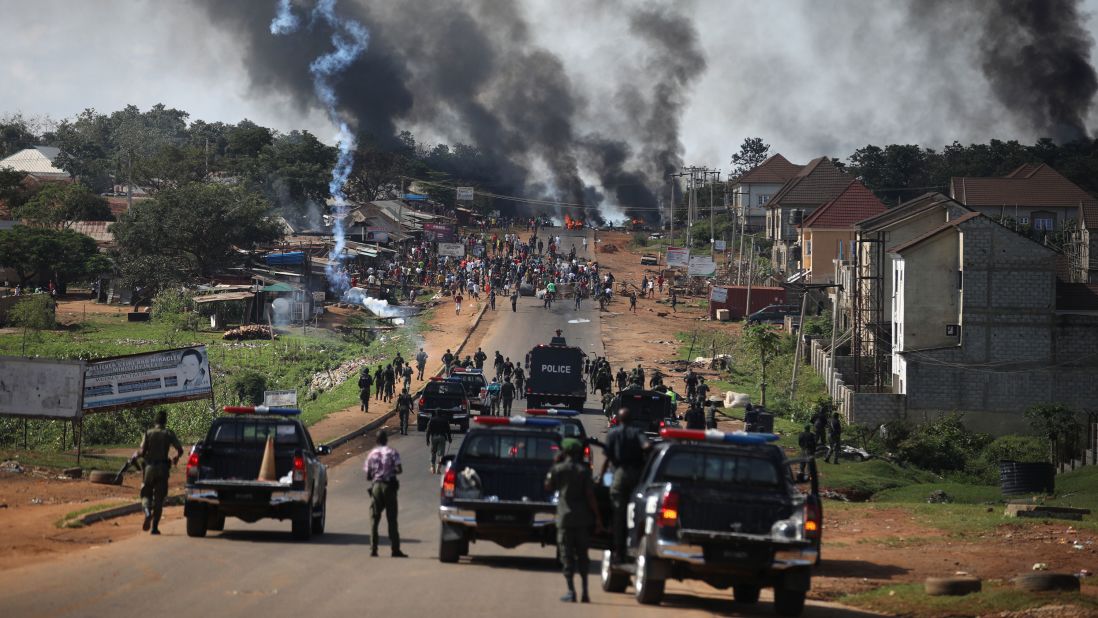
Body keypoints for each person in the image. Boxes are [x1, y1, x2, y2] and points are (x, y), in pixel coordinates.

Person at [545, 438, 603, 603]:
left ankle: (571, 591)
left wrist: (554, 465)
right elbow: (591, 496)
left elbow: (548, 486)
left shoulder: (559, 469)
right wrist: (598, 518)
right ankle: (585, 592)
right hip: (582, 520)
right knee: (583, 556)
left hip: (565, 519)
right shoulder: (583, 471)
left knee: (567, 556)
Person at [600, 407, 650, 563]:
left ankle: (618, 550)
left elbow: (607, 458)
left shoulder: (613, 433)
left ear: (619, 419)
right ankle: (635, 545)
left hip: (619, 474)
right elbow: (647, 446)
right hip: (637, 475)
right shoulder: (637, 433)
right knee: (637, 510)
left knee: (618, 513)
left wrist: (602, 477)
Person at [135, 410, 184, 534]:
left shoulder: (148, 433)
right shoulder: (168, 433)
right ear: (165, 421)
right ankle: (155, 527)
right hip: (163, 469)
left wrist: (135, 455)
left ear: (155, 421)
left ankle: (147, 512)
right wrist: (176, 458)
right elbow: (180, 449)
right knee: (159, 499)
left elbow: (142, 451)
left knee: (146, 493)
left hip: (149, 469)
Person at [365, 430, 406, 557]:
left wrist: (377, 473)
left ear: (377, 441)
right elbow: (399, 469)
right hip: (389, 487)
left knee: (374, 518)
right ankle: (395, 549)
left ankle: (373, 548)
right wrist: (389, 471)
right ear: (386, 440)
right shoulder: (392, 452)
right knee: (392, 519)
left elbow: (368, 475)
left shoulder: (372, 454)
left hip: (376, 487)